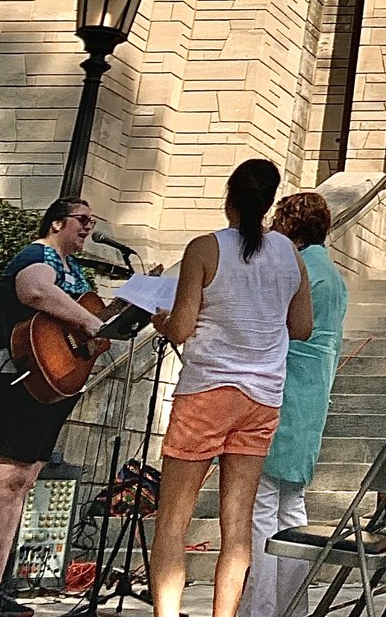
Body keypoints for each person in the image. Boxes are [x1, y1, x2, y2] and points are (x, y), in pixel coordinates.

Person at [149, 160, 313, 617]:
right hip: (262, 398)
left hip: (206, 390)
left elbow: (181, 328)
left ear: (229, 197)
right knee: (238, 527)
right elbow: (302, 326)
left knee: (172, 523)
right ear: (270, 201)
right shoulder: (288, 252)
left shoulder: (204, 247)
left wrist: (162, 321)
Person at [0, 198, 109, 617]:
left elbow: (78, 322)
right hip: (12, 374)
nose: (88, 227)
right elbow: (34, 290)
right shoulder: (37, 253)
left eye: (92, 222)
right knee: (3, 481)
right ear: (57, 221)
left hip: (48, 380)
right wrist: (91, 323)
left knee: (22, 482)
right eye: (82, 220)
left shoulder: (75, 270)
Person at [239, 192, 348, 617]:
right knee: (292, 510)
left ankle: (260, 609)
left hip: (282, 389)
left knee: (263, 507)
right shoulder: (332, 272)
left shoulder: (299, 266)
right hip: (311, 394)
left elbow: (271, 321)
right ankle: (291, 607)